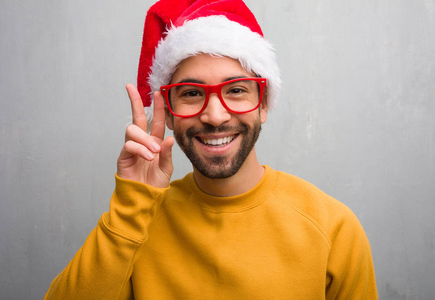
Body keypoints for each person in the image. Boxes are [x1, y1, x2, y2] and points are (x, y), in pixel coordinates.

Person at [45, 0, 378, 299]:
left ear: (263, 104)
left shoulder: (333, 227)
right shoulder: (138, 221)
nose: (215, 116)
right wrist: (132, 205)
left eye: (235, 90)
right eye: (191, 93)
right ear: (170, 112)